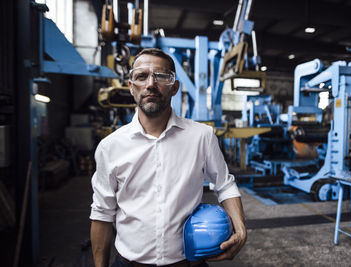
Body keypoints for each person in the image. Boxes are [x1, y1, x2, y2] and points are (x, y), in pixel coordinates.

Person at [90, 48, 247, 267]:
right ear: (131, 87)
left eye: (161, 76)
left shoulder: (201, 136)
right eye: (141, 76)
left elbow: (224, 185)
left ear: (175, 87)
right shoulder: (110, 147)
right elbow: (102, 212)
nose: (151, 84)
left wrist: (240, 230)